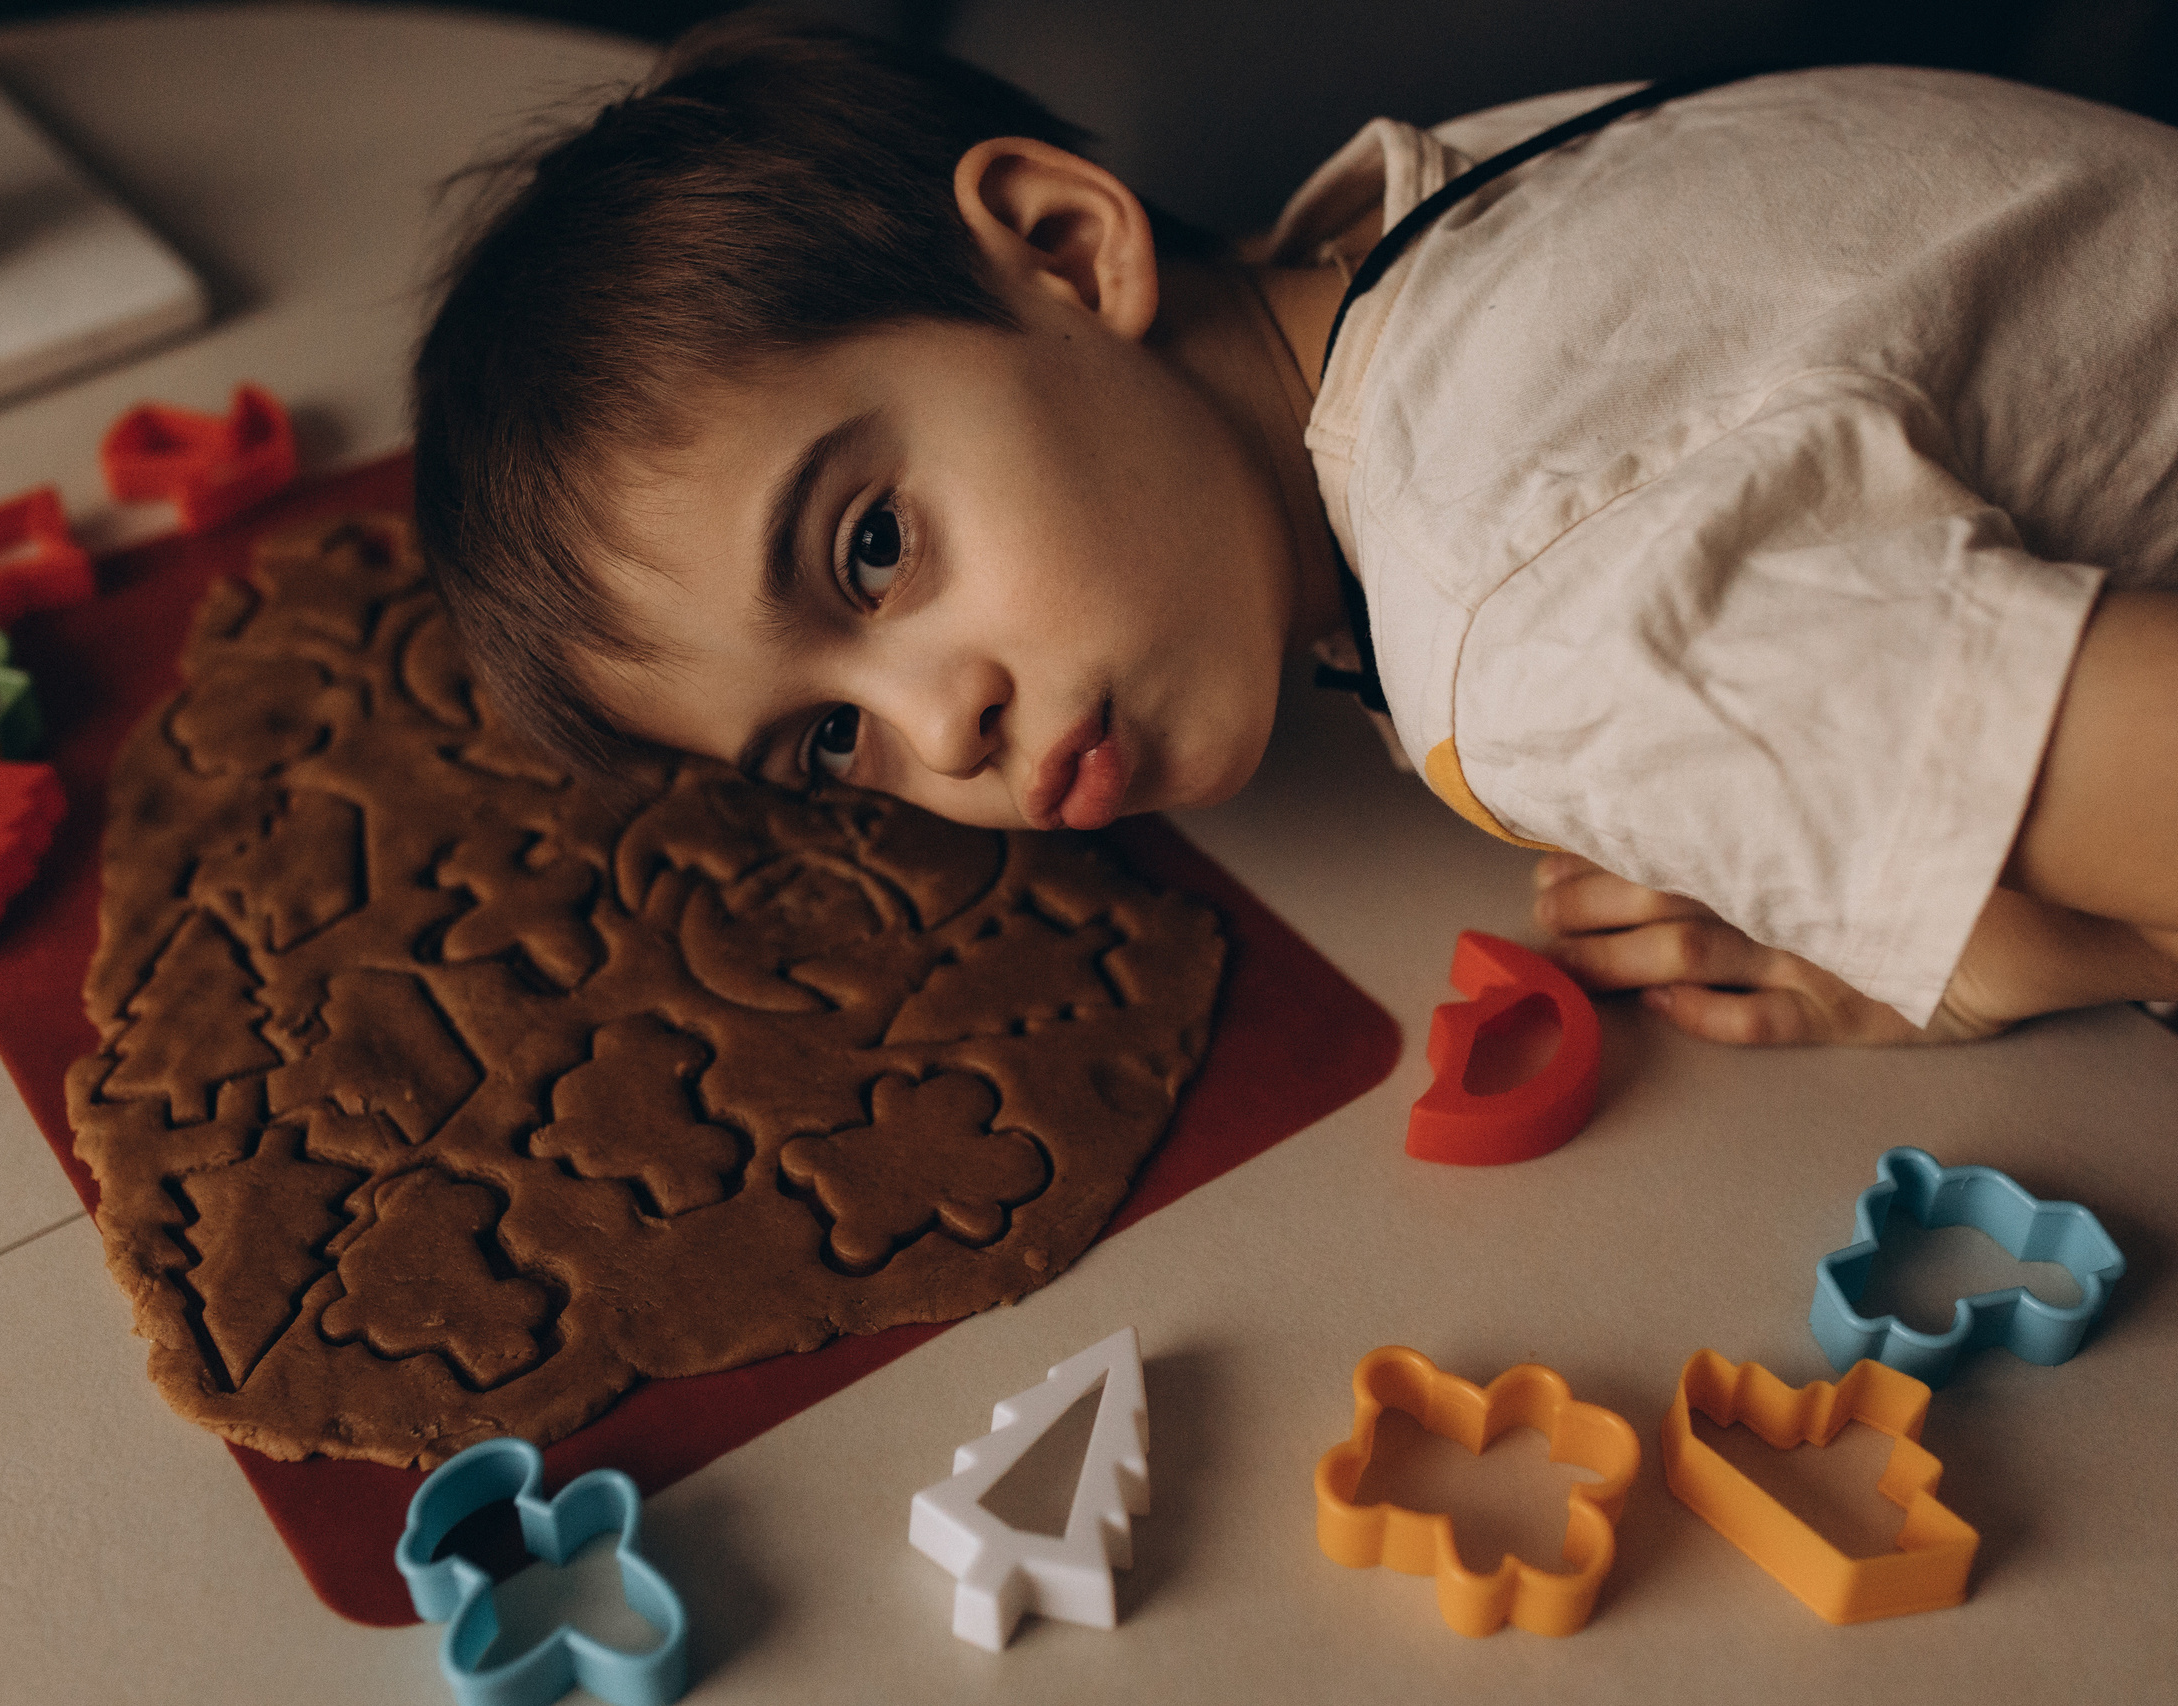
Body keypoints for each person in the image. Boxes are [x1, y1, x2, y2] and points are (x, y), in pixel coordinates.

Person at [411, 14, 2178, 1046]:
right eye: (826, 740)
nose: (937, 733)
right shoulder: (1424, 222)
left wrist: (1993, 944)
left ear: (1057, 242)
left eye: (870, 548)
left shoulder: (1527, 627)